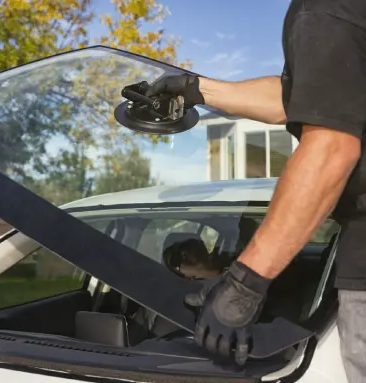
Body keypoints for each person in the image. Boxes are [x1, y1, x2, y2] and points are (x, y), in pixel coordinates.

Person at [145, 0, 366, 380]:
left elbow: (332, 146)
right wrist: (197, 90)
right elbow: (299, 97)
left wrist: (245, 283)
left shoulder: (326, 7)